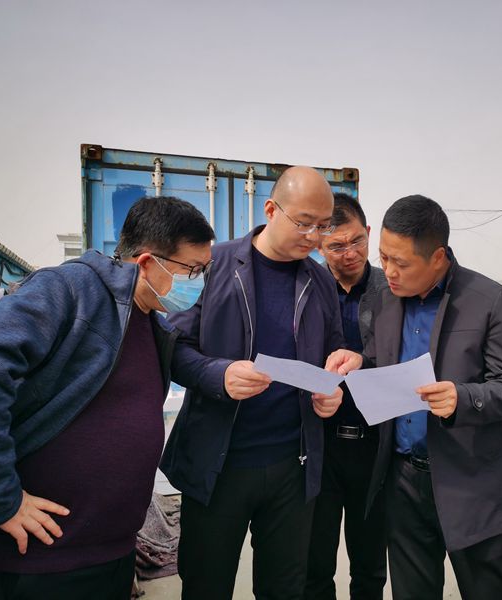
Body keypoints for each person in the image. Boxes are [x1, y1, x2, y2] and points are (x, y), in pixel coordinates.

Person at [0, 196, 214, 599]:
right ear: (147, 262)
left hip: (109, 553)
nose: (199, 281)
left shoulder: (149, 322)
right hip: (42, 561)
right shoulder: (72, 290)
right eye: (192, 269)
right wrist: (1, 499)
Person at [326, 195, 502, 600]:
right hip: (403, 481)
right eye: (384, 258)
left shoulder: (489, 300)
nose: (389, 272)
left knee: (487, 590)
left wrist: (463, 398)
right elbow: (382, 362)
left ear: (438, 258)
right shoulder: (384, 299)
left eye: (401, 263)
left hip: (471, 480)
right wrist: (361, 361)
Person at [162, 166, 345, 599]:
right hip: (219, 464)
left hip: (292, 466)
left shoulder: (320, 279)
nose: (314, 237)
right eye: (304, 223)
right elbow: (172, 347)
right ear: (270, 210)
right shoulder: (213, 264)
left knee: (285, 588)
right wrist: (218, 374)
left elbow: (334, 349)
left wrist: (333, 387)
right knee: (206, 585)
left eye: (323, 226)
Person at [305, 193, 387, 599]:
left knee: (370, 565)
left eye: (357, 241)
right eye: (337, 246)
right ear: (320, 245)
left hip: (375, 446)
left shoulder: (392, 290)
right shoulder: (307, 291)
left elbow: (409, 358)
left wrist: (365, 364)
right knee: (314, 563)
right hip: (319, 447)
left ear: (368, 232)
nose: (350, 253)